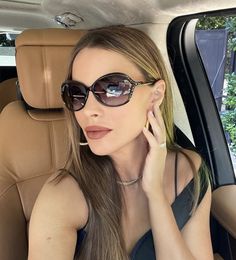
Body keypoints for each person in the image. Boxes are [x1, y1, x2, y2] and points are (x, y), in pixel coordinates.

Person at [28, 26, 213, 260]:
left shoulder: (188, 171)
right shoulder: (63, 195)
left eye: (112, 89)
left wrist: (155, 194)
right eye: (77, 93)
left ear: (155, 95)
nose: (89, 110)